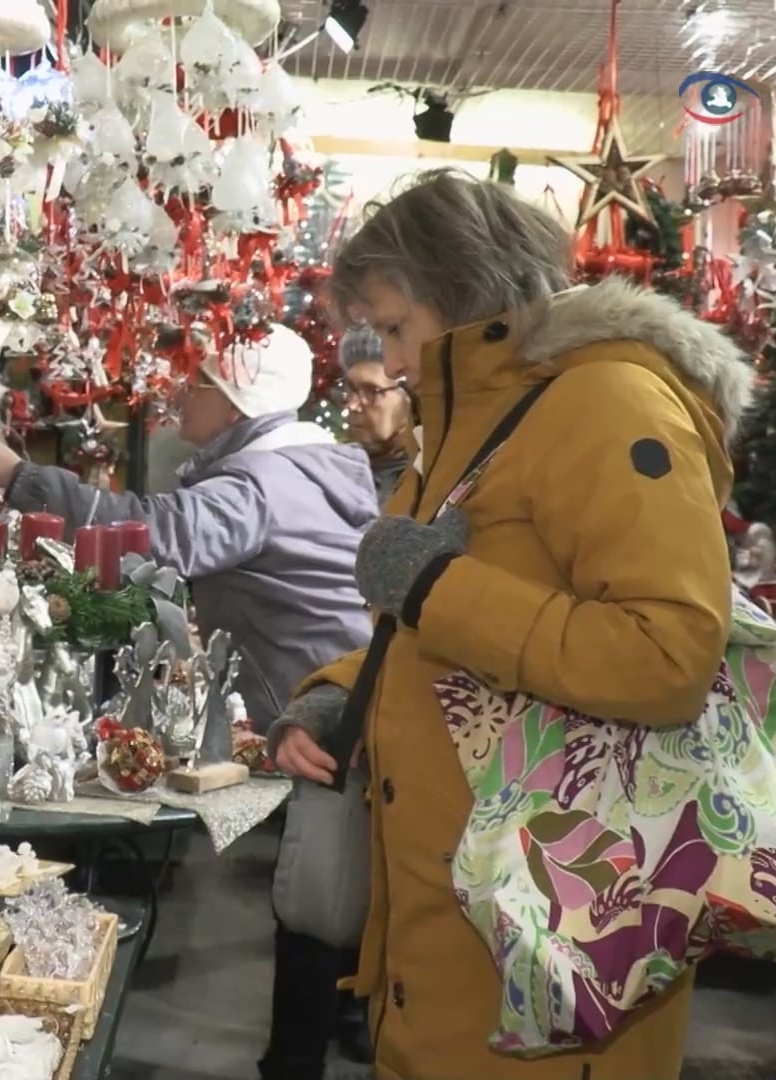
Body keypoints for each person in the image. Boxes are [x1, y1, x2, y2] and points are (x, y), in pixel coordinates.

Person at [293, 169, 747, 1079]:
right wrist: (337, 698)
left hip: (555, 941)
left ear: (460, 293)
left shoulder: (604, 402)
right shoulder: (474, 417)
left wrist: (431, 585)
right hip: (463, 931)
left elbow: (669, 655)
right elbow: (448, 637)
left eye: (394, 327)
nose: (387, 360)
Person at [0, 325, 376, 1080]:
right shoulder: (299, 467)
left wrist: (21, 476)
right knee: (325, 890)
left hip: (321, 710)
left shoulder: (261, 483)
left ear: (241, 402)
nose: (185, 394)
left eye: (202, 384)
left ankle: (295, 1061)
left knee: (314, 897)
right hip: (334, 693)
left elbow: (157, 535)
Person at [338, 324, 416, 503]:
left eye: (372, 391)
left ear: (410, 394)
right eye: (350, 389)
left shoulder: (431, 483)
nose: (352, 405)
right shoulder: (335, 479)